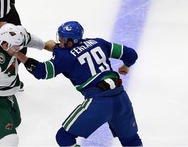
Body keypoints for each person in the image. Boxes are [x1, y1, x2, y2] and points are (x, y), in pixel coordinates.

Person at [14, 21, 143, 146]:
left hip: (99, 103)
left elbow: (42, 72)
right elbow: (131, 54)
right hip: (121, 99)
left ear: (71, 41)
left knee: (64, 138)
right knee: (131, 140)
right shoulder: (98, 43)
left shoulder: (64, 57)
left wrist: (18, 54)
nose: (60, 41)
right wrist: (126, 66)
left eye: (62, 39)